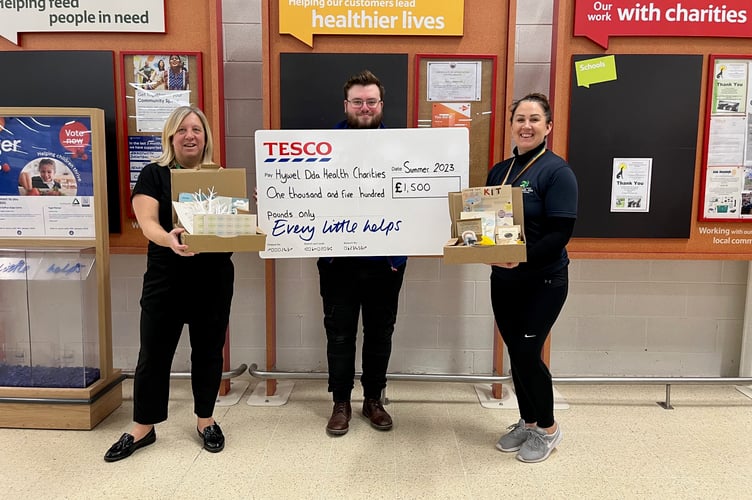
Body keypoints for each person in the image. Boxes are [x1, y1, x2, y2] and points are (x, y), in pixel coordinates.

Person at [104, 106, 234, 462]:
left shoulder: (220, 176)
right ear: (170, 137)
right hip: (166, 276)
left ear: (205, 137)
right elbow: (147, 223)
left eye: (196, 129)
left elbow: (230, 228)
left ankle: (205, 419)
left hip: (213, 277)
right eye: (182, 130)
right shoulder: (153, 174)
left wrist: (246, 215)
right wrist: (169, 238)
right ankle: (143, 426)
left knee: (208, 352)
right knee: (154, 353)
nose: (190, 135)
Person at [485, 93, 577, 463]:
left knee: (526, 352)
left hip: (543, 280)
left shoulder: (557, 172)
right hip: (503, 279)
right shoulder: (500, 170)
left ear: (548, 127)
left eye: (534, 119)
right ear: (511, 125)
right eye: (520, 118)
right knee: (516, 353)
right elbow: (486, 222)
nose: (526, 125)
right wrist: (483, 249)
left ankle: (549, 428)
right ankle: (528, 420)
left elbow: (560, 233)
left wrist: (519, 258)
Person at [319, 70, 406, 436]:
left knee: (379, 333)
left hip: (386, 261)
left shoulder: (405, 147)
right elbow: (302, 190)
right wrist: (278, 197)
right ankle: (341, 401)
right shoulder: (320, 147)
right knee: (339, 335)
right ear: (346, 105)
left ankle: (373, 399)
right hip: (338, 260)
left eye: (371, 101)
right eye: (358, 101)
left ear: (381, 105)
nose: (365, 107)